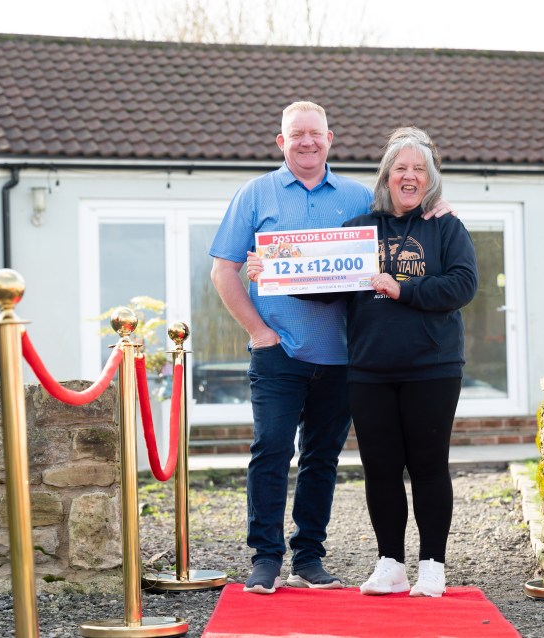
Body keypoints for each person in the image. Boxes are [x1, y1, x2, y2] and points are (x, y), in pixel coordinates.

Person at [210, 103, 454, 595]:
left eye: (315, 134)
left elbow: (407, 220)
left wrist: (439, 210)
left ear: (330, 138)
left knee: (322, 459)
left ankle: (309, 557)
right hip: (278, 351)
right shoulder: (255, 194)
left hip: (345, 356)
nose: (307, 142)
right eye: (296, 134)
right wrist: (259, 331)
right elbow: (224, 270)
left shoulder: (358, 197)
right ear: (281, 142)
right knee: (272, 451)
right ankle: (265, 558)